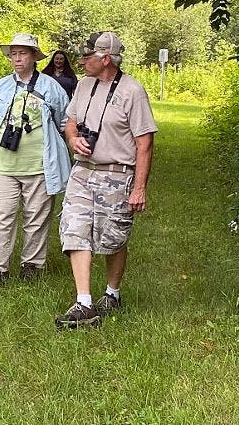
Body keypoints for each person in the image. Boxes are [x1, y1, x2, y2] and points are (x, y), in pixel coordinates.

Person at [55, 32, 157, 329]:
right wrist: (73, 139)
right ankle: (83, 302)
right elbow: (71, 121)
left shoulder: (132, 91)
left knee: (112, 239)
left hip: (117, 174)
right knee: (74, 229)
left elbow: (145, 143)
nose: (82, 61)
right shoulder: (83, 85)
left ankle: (112, 293)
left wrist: (139, 188)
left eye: (88, 56)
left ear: (106, 59)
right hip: (83, 171)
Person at [0, 33, 71, 283]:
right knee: (3, 216)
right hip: (4, 166)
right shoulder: (0, 86)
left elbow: (63, 121)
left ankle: (31, 265)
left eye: (23, 53)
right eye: (14, 53)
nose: (17, 58)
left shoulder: (51, 87)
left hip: (40, 166)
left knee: (36, 218)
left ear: (34, 56)